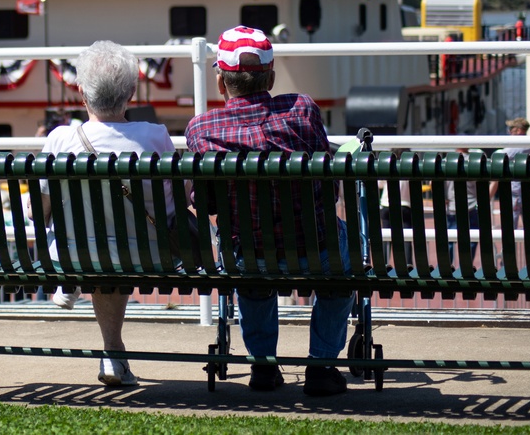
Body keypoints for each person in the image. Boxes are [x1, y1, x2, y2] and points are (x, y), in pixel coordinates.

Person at [184, 25, 355, 397]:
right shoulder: (302, 109)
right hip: (317, 253)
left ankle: (263, 366)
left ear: (220, 83)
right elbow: (330, 184)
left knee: (251, 268)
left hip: (251, 258)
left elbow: (207, 203)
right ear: (272, 77)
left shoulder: (202, 129)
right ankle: (322, 366)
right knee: (343, 264)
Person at [35, 40, 177, 387]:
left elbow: (39, 214)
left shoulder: (59, 140)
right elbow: (171, 207)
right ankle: (113, 353)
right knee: (115, 247)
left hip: (72, 255)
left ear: (81, 91)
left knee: (90, 243)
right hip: (146, 255)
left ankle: (71, 283)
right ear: (131, 91)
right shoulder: (155, 137)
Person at [489, 118, 530, 231]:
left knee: (510, 228)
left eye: (511, 129)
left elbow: (497, 161)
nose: (509, 132)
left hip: (515, 193)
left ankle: (507, 249)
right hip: (528, 190)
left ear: (519, 130)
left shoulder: (514, 147)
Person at [444, 148, 480, 265]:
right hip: (470, 205)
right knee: (472, 238)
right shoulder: (474, 162)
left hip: (452, 206)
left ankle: (447, 267)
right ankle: (467, 265)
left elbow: (432, 183)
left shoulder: (446, 161)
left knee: (449, 239)